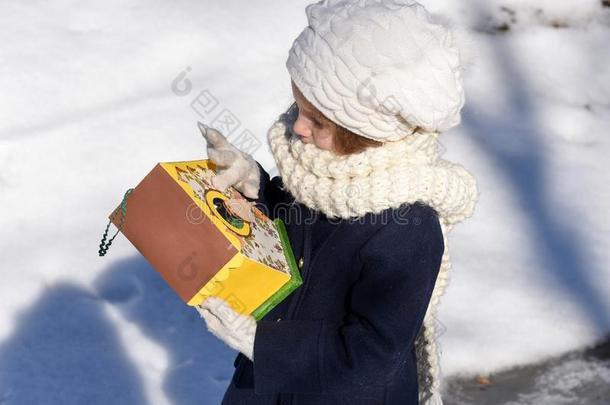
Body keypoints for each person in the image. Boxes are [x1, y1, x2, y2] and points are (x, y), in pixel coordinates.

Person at [196, 1, 479, 404]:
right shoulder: (325, 173)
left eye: (318, 120)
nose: (297, 127)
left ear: (367, 129)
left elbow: (371, 354)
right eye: (299, 107)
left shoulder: (408, 227)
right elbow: (304, 239)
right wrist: (258, 188)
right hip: (267, 385)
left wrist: (263, 343)